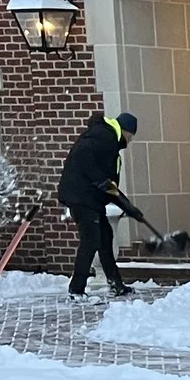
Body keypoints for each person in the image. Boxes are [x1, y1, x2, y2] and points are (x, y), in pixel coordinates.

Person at [60, 110, 143, 298]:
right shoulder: (104, 136)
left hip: (89, 198)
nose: (130, 141)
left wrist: (128, 207)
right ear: (126, 131)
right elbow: (82, 155)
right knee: (91, 241)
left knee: (105, 239)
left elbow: (109, 186)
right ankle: (76, 289)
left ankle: (116, 284)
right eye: (131, 136)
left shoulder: (109, 143)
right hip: (81, 197)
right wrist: (99, 179)